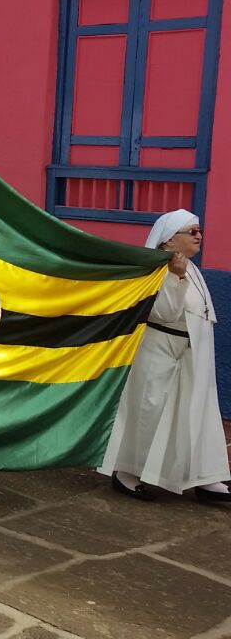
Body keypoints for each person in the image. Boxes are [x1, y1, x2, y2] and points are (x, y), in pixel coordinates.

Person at [99, 209, 231, 504]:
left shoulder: (190, 267)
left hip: (193, 351)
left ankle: (204, 479)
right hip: (160, 349)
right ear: (169, 241)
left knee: (197, 413)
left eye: (200, 231)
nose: (199, 236)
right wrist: (176, 277)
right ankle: (126, 473)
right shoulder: (158, 269)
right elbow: (165, 312)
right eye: (192, 232)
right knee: (148, 411)